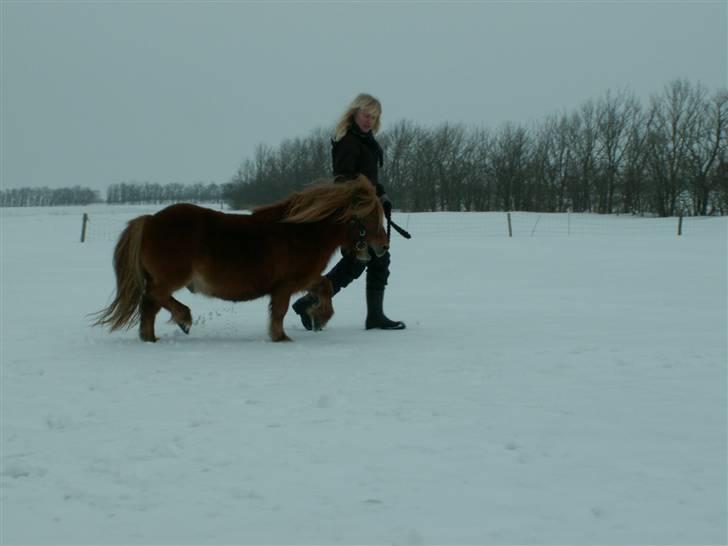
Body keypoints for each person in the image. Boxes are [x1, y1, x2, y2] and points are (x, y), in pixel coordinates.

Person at [292, 93, 405, 331]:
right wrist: (366, 201)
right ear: (354, 113)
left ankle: (373, 315)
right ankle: (310, 302)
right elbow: (344, 179)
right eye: (366, 115)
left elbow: (368, 178)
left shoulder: (366, 141)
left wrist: (380, 193)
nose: (369, 120)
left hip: (367, 210)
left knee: (376, 260)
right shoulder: (348, 142)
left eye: (374, 117)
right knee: (359, 261)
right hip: (355, 213)